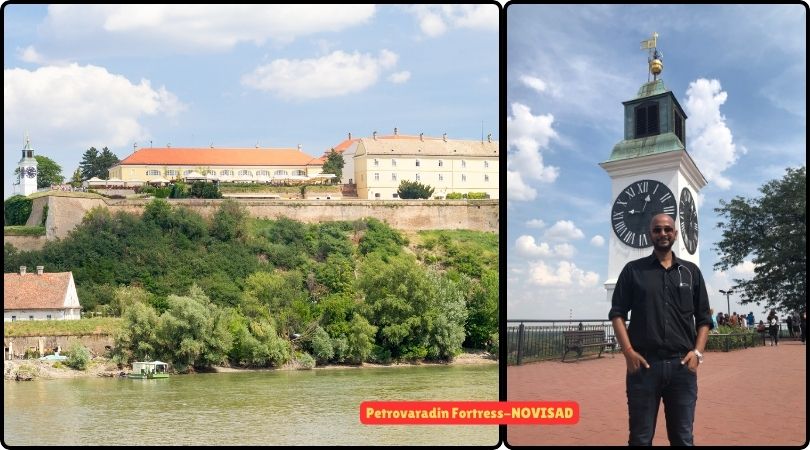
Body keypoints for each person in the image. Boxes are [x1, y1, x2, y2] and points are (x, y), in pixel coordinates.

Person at [609, 213, 712, 446]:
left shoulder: (691, 272)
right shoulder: (633, 271)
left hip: (682, 368)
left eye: (667, 229)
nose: (663, 234)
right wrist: (627, 351)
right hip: (644, 367)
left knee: (683, 439)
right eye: (657, 230)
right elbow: (617, 314)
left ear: (675, 234)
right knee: (640, 439)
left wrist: (697, 353)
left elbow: (704, 318)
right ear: (650, 234)